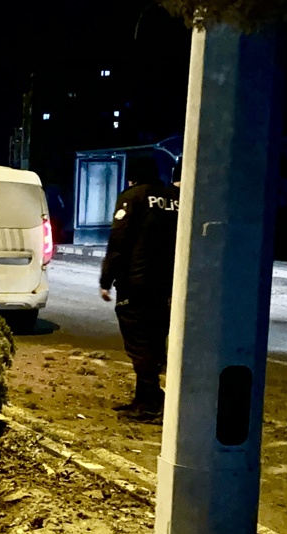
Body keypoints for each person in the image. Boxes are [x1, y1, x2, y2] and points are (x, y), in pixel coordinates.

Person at [100, 157, 181, 421]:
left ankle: (151, 405)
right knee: (156, 341)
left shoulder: (132, 197)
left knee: (139, 344)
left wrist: (106, 280)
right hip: (169, 285)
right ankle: (143, 399)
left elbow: (119, 241)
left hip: (137, 283)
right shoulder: (175, 198)